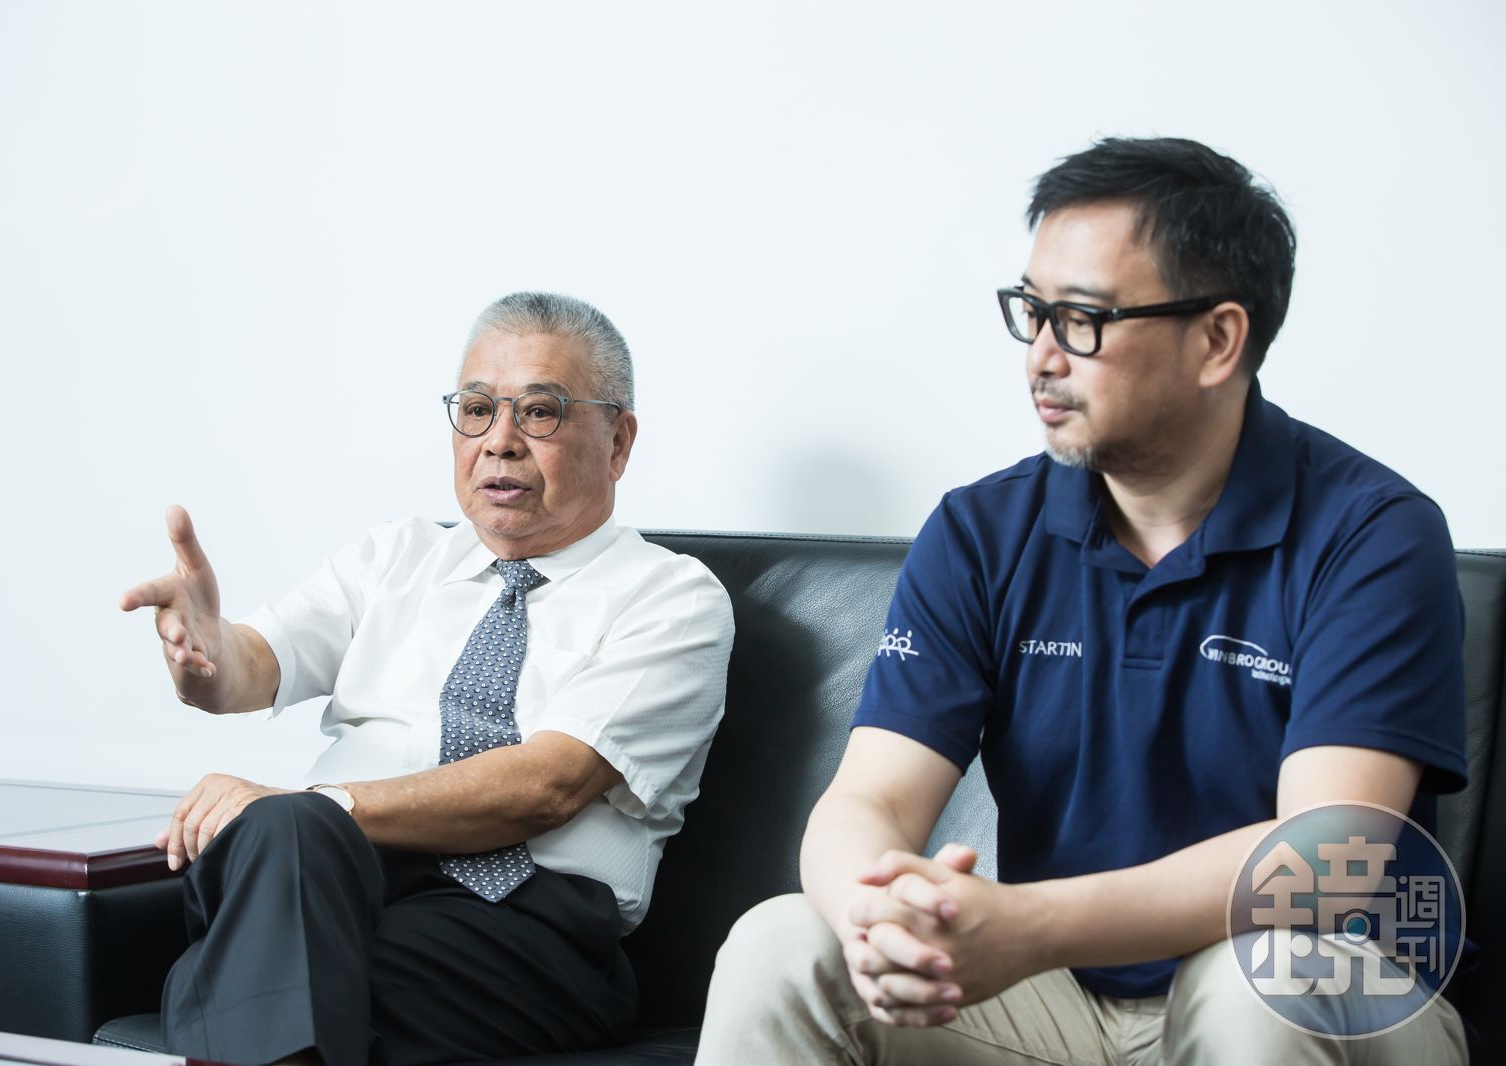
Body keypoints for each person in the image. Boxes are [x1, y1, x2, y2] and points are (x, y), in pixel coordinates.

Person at [695, 138, 1470, 1064]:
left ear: (1218, 340)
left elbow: (1326, 859)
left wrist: (1030, 926)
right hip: (1060, 1002)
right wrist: (880, 916)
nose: (1042, 357)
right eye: (1033, 312)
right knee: (782, 945)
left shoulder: (1372, 531)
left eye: (1084, 320)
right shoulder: (983, 532)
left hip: (1324, 989)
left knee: (1258, 981)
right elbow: (871, 798)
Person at [120, 292, 734, 1066]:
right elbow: (246, 671)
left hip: (522, 929)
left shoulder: (672, 597)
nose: (499, 442)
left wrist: (323, 807)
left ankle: (236, 991)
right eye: (476, 410)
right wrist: (206, 650)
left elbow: (545, 787)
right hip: (334, 887)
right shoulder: (394, 558)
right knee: (287, 870)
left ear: (618, 440)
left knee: (235, 964)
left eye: (539, 413)